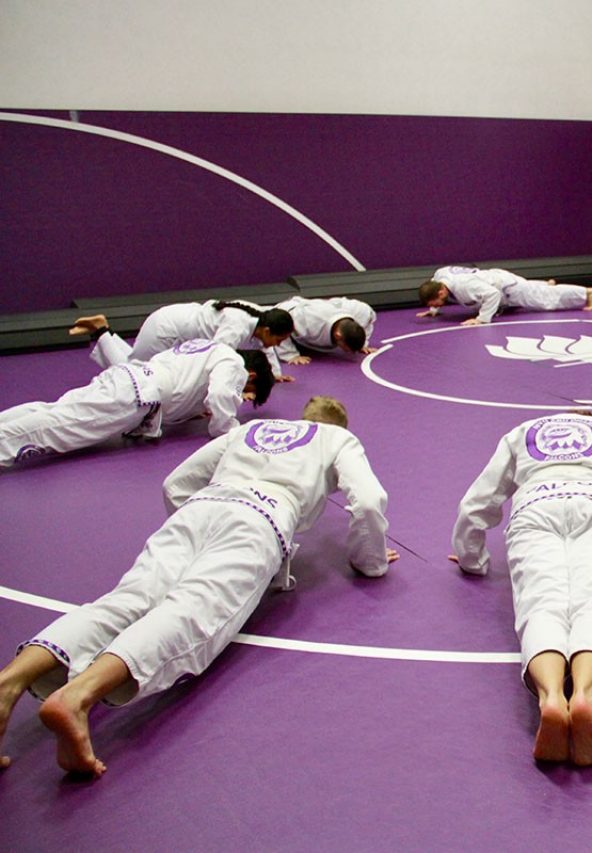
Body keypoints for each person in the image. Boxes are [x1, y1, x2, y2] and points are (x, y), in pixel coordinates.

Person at [0, 395, 396, 777]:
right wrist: (370, 562)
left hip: (198, 508)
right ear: (339, 426)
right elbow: (368, 500)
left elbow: (176, 482)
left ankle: (8, 684)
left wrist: (195, 530)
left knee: (126, 601)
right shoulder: (338, 439)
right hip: (259, 520)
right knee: (189, 611)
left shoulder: (252, 429)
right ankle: (77, 696)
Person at [450, 411, 592, 766]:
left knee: (541, 603)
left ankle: (552, 697)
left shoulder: (522, 433)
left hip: (535, 505)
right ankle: (585, 696)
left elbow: (478, 500)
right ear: (586, 416)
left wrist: (471, 557)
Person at [0, 340, 273, 468]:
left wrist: (194, 412)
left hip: (129, 378)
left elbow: (186, 387)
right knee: (60, 427)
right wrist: (230, 430)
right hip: (135, 395)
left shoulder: (209, 347)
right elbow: (221, 395)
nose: (242, 396)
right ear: (251, 376)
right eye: (247, 391)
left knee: (56, 411)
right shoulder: (234, 363)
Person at [70, 300, 295, 381]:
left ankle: (106, 331)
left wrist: (273, 374)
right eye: (278, 340)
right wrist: (238, 388)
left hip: (174, 322)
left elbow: (265, 350)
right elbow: (217, 362)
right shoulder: (236, 327)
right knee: (133, 374)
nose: (277, 345)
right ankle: (101, 330)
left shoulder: (260, 318)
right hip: (165, 330)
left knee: (135, 365)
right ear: (267, 330)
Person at [416, 266, 592, 325]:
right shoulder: (440, 276)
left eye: (436, 302)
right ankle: (542, 284)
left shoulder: (464, 287)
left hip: (505, 288)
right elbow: (433, 288)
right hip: (492, 278)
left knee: (545, 300)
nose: (437, 305)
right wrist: (433, 310)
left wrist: (481, 319)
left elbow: (493, 294)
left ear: (441, 291)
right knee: (533, 290)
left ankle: (587, 292)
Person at [270, 295, 377, 364]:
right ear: (338, 335)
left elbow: (369, 316)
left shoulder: (359, 311)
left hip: (318, 308)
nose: (350, 353)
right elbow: (281, 322)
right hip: (287, 310)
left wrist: (362, 344)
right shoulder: (309, 320)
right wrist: (290, 355)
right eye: (346, 349)